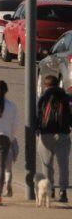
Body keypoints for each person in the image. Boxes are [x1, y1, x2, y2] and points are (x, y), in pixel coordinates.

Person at [36, 74, 71, 203]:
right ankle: (63, 192)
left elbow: (37, 116)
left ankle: (50, 191)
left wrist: (37, 131)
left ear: (46, 86)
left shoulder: (42, 98)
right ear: (58, 84)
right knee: (63, 165)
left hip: (45, 135)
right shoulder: (67, 98)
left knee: (47, 165)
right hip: (62, 135)